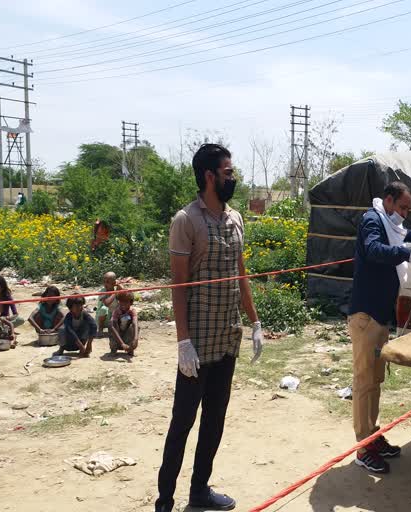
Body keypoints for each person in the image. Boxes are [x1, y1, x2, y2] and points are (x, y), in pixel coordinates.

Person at [155, 143, 264, 512]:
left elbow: (241, 274)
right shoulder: (186, 221)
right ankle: (165, 500)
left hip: (227, 337)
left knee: (214, 421)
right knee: (182, 422)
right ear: (209, 176)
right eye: (228, 172)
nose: (233, 178)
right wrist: (183, 342)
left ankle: (199, 491)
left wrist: (255, 322)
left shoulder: (235, 219)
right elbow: (179, 284)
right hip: (198, 345)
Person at [348, 181, 411, 474]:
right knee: (364, 382)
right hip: (366, 316)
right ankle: (363, 447)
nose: (404, 214)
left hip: (379, 316)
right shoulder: (372, 221)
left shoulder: (391, 224)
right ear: (388, 200)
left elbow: (409, 235)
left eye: (408, 209)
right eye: (401, 207)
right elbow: (374, 249)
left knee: (375, 381)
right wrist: (405, 253)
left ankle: (373, 436)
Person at [109, 291, 139, 356]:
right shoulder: (116, 311)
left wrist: (135, 339)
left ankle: (130, 349)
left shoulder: (132, 311)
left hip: (127, 333)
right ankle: (113, 349)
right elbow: (113, 327)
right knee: (112, 326)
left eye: (126, 302)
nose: (123, 304)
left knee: (134, 327)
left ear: (131, 302)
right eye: (121, 301)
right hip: (118, 333)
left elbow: (135, 323)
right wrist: (122, 343)